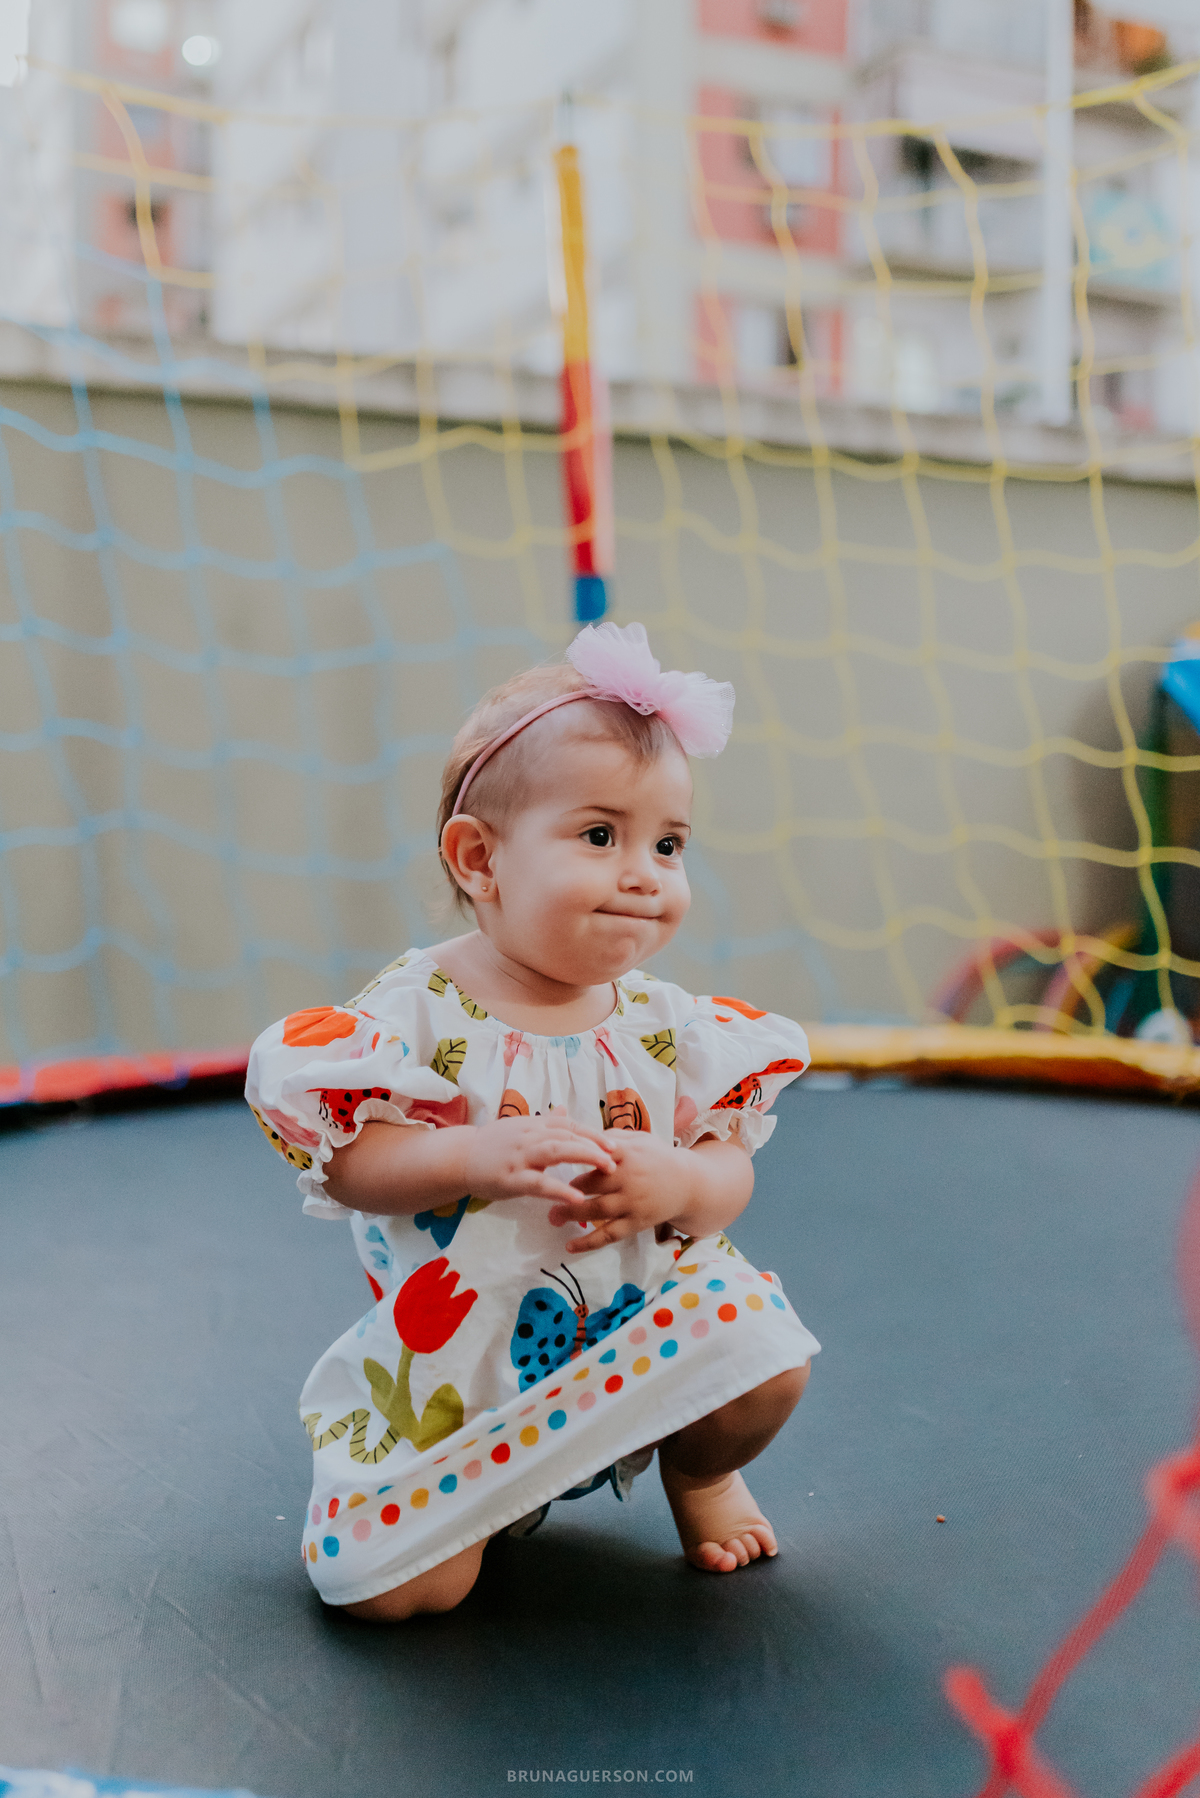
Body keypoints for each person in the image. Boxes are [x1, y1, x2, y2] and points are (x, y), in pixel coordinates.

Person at [246, 621, 820, 1621]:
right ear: (480, 858)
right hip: (462, 1370)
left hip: (641, 1336)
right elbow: (346, 1168)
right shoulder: (410, 1015)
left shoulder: (674, 1026)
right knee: (395, 1596)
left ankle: (701, 1473)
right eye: (601, 836)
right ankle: (488, 1492)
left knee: (769, 1363)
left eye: (668, 844)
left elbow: (730, 1172)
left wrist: (684, 1183)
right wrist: (469, 1152)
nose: (645, 872)